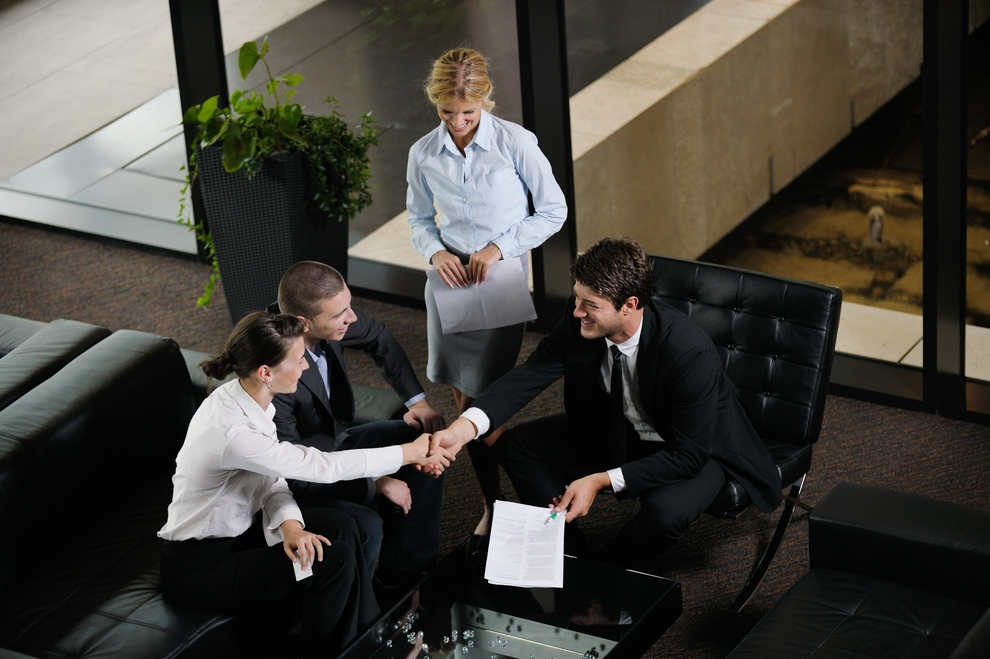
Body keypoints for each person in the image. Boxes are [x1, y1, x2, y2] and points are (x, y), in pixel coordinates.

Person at [427, 237, 782, 567]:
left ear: (629, 305)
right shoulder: (581, 320)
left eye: (590, 305)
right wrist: (465, 428)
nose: (577, 311)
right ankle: (568, 554)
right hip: (618, 428)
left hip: (691, 447)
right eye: (577, 298)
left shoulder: (688, 351)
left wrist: (599, 480)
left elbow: (689, 455)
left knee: (664, 516)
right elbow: (530, 374)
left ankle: (604, 569)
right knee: (518, 445)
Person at [158, 312, 451, 658]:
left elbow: (271, 479)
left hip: (241, 533)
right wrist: (406, 453)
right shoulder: (233, 432)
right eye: (298, 360)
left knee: (344, 526)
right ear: (266, 372)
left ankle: (368, 638)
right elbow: (319, 466)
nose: (305, 367)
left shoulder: (249, 401)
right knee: (332, 561)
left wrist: (291, 526)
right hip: (200, 566)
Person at [406, 47, 567, 547]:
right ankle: (493, 503)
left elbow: (553, 210)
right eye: (446, 112)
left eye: (468, 113)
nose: (457, 123)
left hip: (498, 286)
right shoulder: (422, 153)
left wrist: (500, 247)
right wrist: (435, 252)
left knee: (481, 401)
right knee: (464, 398)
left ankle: (522, 496)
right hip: (448, 288)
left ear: (485, 101)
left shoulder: (515, 143)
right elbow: (418, 219)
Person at [269, 261, 446, 593]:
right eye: (340, 314)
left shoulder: (331, 318)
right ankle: (364, 604)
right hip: (304, 473)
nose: (352, 318)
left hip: (337, 441)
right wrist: (376, 482)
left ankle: (407, 576)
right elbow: (294, 473)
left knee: (424, 434)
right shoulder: (274, 372)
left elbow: (378, 335)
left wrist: (417, 403)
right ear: (303, 322)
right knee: (367, 524)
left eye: (349, 306)